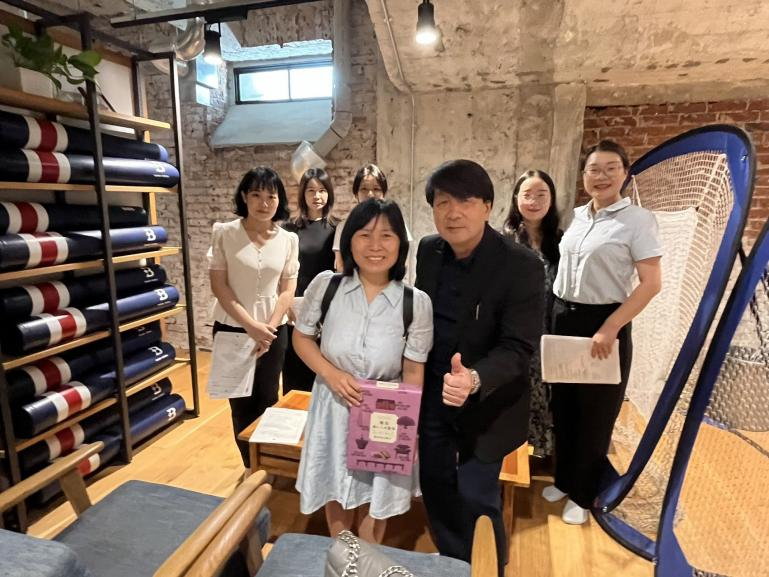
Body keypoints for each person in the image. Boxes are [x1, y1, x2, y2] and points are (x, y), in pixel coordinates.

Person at [416, 159, 544, 577]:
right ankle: (455, 561)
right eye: (443, 202)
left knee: (477, 495)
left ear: (487, 206)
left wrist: (473, 378)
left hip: (490, 400)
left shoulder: (521, 264)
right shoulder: (428, 251)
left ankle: (488, 568)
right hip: (435, 394)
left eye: (466, 201)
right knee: (434, 483)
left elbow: (518, 348)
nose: (453, 212)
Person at [293, 199, 433, 543]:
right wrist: (332, 374)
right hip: (333, 404)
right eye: (365, 234)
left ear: (400, 244)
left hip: (386, 410)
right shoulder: (327, 286)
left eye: (387, 235)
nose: (375, 246)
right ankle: (343, 552)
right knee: (334, 484)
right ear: (349, 241)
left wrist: (409, 429)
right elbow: (302, 338)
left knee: (376, 494)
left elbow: (413, 370)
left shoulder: (415, 302)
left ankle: (367, 556)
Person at [544, 140, 662, 525]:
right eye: (594, 169)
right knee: (564, 407)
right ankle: (564, 480)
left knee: (595, 414)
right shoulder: (578, 216)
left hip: (604, 322)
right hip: (564, 316)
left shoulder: (638, 221)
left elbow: (651, 283)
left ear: (624, 173)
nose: (602, 176)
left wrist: (612, 326)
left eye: (611, 168)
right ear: (584, 175)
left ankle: (583, 495)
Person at [208, 167, 298, 468]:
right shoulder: (225, 233)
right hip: (232, 328)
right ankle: (250, 466)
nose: (264, 203)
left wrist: (268, 329)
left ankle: (268, 464)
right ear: (244, 197)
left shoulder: (288, 239)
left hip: (274, 331)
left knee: (269, 397)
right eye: (257, 195)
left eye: (271, 196)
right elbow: (219, 285)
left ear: (279, 200)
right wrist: (251, 326)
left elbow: (287, 289)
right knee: (240, 401)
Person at [503, 169, 562, 458]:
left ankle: (538, 451)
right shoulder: (504, 240)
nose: (534, 201)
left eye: (542, 194)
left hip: (550, 331)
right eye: (527, 194)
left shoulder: (561, 241)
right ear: (516, 198)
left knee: (545, 391)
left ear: (551, 199)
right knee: (515, 392)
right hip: (515, 333)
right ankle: (512, 452)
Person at [282, 168, 338, 393]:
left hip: (327, 311)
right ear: (302, 194)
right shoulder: (289, 229)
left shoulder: (337, 229)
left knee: (324, 375)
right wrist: (287, 307)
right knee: (295, 375)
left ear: (329, 193)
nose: (317, 196)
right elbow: (282, 273)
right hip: (295, 309)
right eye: (311, 191)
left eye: (322, 190)